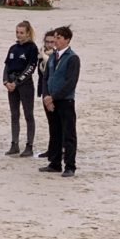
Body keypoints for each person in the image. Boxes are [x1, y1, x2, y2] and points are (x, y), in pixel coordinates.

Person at [40, 26, 79, 177]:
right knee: (54, 131)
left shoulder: (72, 58)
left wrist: (53, 97)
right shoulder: (52, 56)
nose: (55, 40)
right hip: (50, 100)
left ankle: (70, 166)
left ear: (67, 40)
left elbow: (70, 82)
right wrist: (46, 96)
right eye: (55, 37)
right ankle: (54, 163)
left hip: (65, 101)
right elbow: (45, 78)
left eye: (58, 38)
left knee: (68, 134)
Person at [3, 20, 39, 157]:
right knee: (14, 115)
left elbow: (31, 68)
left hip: (25, 85)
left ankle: (29, 146)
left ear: (28, 33)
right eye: (17, 32)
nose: (19, 35)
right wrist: (6, 81)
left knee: (28, 115)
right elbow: (6, 65)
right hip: (11, 84)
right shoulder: (13, 48)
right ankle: (14, 144)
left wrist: (17, 82)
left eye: (21, 33)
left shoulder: (32, 48)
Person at [36, 30, 57, 159]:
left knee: (58, 122)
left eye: (52, 42)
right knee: (51, 122)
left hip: (55, 93)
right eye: (47, 42)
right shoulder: (41, 54)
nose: (49, 44)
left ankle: (60, 148)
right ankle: (52, 148)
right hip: (45, 91)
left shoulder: (56, 56)